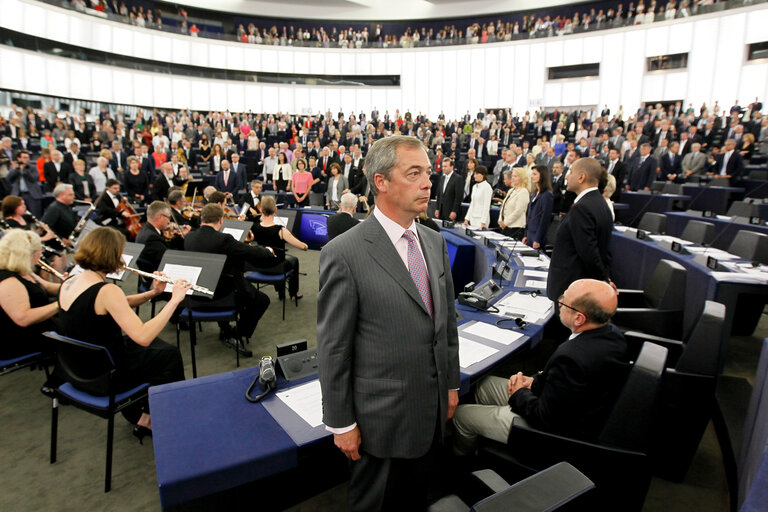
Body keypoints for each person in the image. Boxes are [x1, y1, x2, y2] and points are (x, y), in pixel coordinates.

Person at [317, 135, 460, 511]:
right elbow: (334, 347)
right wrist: (341, 422)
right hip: (380, 422)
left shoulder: (433, 242)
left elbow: (446, 327)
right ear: (381, 182)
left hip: (430, 411)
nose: (428, 182)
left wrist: (451, 385)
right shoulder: (343, 253)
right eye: (414, 173)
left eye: (428, 172)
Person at [452, 279, 628, 455]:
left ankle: (465, 460)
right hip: (561, 403)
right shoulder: (613, 335)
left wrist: (519, 392)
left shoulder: (572, 357)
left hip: (553, 432)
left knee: (461, 416)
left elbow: (543, 417)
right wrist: (533, 382)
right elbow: (564, 386)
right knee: (481, 385)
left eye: (564, 301)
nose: (559, 303)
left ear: (579, 318)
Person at [57, 227, 190, 440]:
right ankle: (161, 418)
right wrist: (174, 300)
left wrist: (154, 292)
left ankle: (142, 413)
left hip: (76, 368)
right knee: (169, 355)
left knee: (160, 348)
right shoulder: (107, 291)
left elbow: (114, 305)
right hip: (105, 375)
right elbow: (143, 336)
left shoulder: (70, 281)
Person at [183, 204, 275, 357]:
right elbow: (249, 251)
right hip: (221, 295)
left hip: (195, 293)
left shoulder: (189, 237)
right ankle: (237, 333)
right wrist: (267, 251)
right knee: (261, 300)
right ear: (220, 220)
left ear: (202, 219)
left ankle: (225, 327)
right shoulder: (223, 239)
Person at [546, 158, 614, 303]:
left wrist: (603, 281)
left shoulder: (583, 208)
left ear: (581, 177)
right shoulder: (601, 203)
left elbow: (589, 252)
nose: (566, 176)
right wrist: (604, 278)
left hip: (571, 291)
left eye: (570, 172)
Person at [0, 230, 60, 360]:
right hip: (19, 340)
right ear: (27, 254)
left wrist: (73, 286)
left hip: (39, 328)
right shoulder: (7, 281)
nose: (41, 254)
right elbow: (23, 318)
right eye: (39, 250)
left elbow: (47, 287)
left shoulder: (23, 270)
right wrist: (58, 304)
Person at [250, 196, 307, 300]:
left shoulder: (255, 227)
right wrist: (305, 245)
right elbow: (302, 247)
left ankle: (281, 292)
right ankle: (294, 292)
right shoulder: (280, 230)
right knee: (294, 260)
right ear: (275, 210)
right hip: (277, 268)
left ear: (261, 210)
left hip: (260, 266)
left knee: (276, 259)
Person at [135, 201, 189, 275]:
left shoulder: (145, 230)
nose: (169, 221)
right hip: (157, 276)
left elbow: (163, 246)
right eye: (168, 217)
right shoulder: (151, 238)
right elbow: (169, 258)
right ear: (160, 216)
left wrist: (177, 237)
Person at [523, 165, 554, 249]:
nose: (532, 176)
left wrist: (537, 239)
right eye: (532, 174)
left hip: (537, 237)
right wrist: (526, 234)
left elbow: (545, 219)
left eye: (535, 174)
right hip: (530, 234)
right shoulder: (534, 193)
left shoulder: (547, 195)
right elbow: (529, 216)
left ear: (542, 175)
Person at [7, 150, 43, 218]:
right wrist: (15, 170)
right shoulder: (14, 168)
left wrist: (25, 170)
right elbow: (8, 180)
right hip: (18, 194)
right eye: (24, 157)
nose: (27, 159)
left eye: (28, 157)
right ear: (19, 158)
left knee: (35, 215)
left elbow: (34, 179)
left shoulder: (33, 167)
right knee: (18, 215)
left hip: (32, 195)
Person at [497, 168, 529, 239]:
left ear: (522, 178)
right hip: (505, 226)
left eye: (516, 176)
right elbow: (503, 206)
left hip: (515, 227)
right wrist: (500, 220)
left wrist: (506, 222)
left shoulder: (523, 192)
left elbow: (518, 211)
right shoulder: (511, 190)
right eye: (512, 176)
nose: (513, 178)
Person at [433, 157, 463, 222]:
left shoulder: (458, 178)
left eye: (445, 166)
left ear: (452, 167)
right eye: (442, 166)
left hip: (451, 212)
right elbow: (439, 194)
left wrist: (454, 211)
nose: (443, 168)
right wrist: (437, 209)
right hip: (441, 212)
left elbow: (458, 197)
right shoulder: (442, 178)